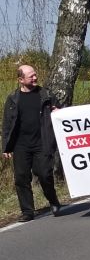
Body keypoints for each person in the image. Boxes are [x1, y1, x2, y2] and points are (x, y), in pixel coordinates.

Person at [2, 65, 62, 222]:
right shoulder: (13, 98)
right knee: (21, 178)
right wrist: (6, 147)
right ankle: (27, 211)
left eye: (35, 75)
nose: (35, 78)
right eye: (31, 76)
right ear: (21, 80)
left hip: (42, 142)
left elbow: (60, 112)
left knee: (44, 174)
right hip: (20, 145)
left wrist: (58, 111)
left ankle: (53, 201)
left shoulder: (45, 94)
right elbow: (7, 123)